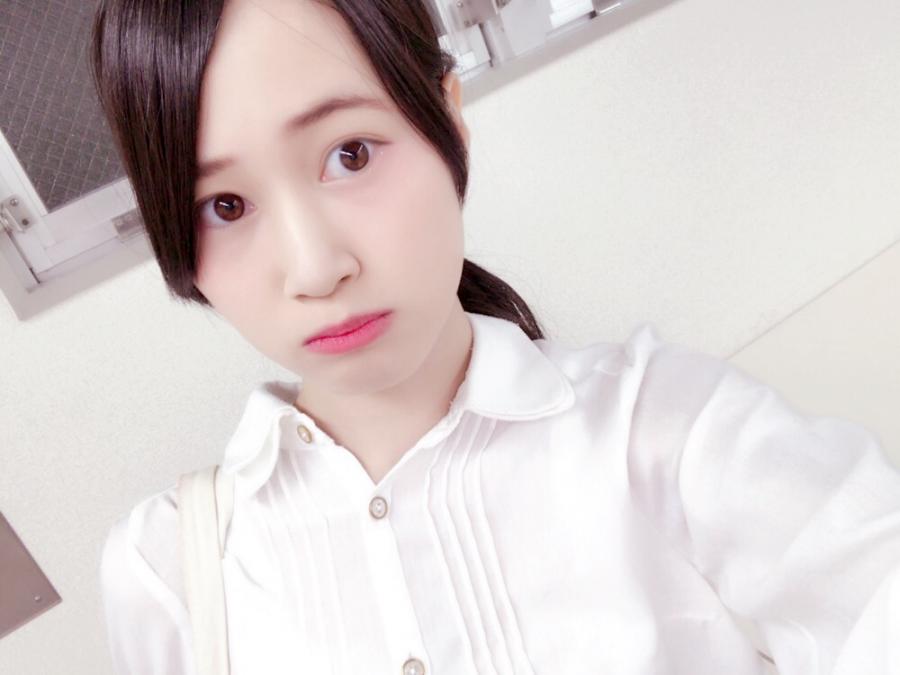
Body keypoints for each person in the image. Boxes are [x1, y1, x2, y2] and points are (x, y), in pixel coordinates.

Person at [89, 1, 900, 673]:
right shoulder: (168, 573)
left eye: (350, 154)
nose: (316, 267)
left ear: (446, 115)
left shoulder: (668, 434)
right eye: (225, 206)